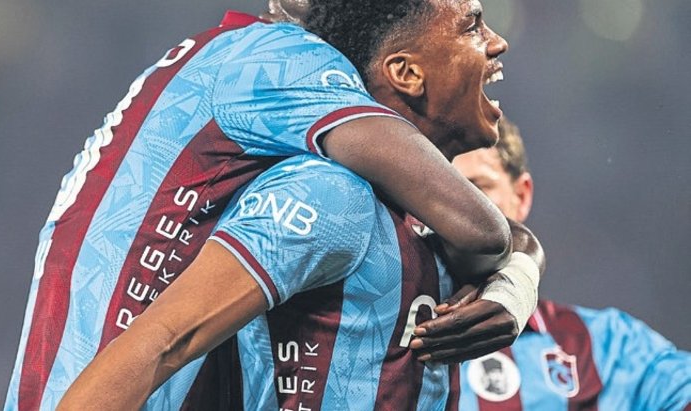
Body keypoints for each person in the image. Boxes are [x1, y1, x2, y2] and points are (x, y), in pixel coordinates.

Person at [58, 1, 546, 409]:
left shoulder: (408, 204)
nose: (497, 41)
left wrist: (518, 277)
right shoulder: (325, 183)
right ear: (406, 72)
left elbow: (497, 235)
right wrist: (512, 267)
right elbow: (166, 341)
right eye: (472, 26)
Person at [451, 118, 691, 410]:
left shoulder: (606, 348)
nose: (451, 209)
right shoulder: (397, 354)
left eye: (475, 188)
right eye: (433, 193)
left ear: (521, 196)